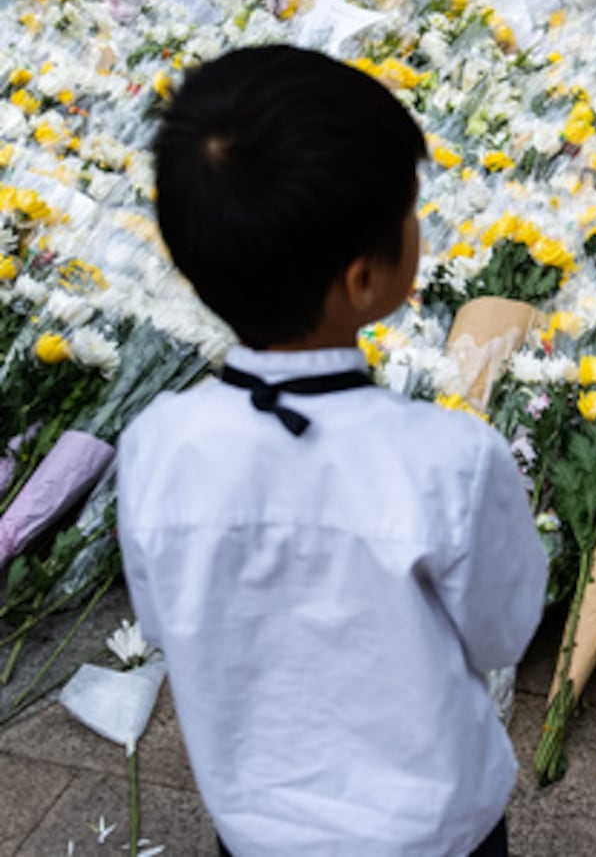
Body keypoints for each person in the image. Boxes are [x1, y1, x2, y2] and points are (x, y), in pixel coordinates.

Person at [116, 45, 548, 857]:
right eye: (409, 210)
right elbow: (501, 633)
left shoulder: (158, 446)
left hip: (257, 830)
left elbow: (167, 618)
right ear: (363, 280)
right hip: (434, 836)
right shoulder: (448, 459)